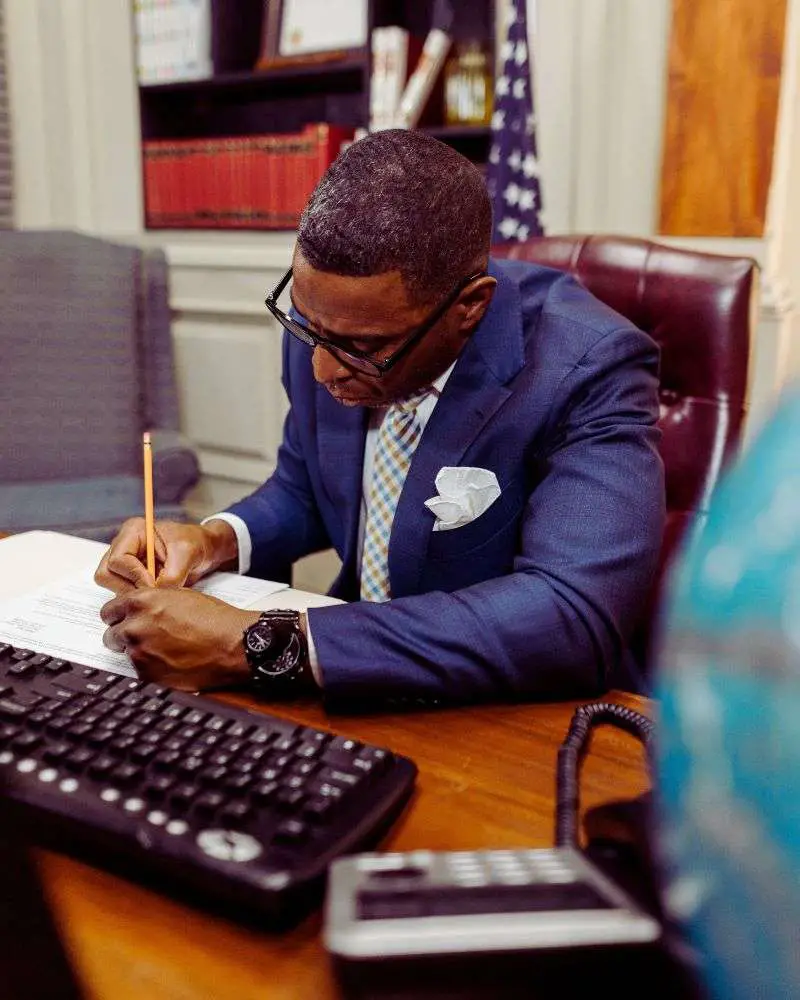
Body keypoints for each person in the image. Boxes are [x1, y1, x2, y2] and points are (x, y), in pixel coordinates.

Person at [96, 129, 665, 706]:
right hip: (351, 691)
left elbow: (571, 617)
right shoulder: (331, 321)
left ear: (470, 308)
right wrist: (210, 539)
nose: (321, 369)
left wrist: (252, 643)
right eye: (306, 326)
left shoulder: (592, 366)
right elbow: (307, 493)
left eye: (362, 347)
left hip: (509, 709)